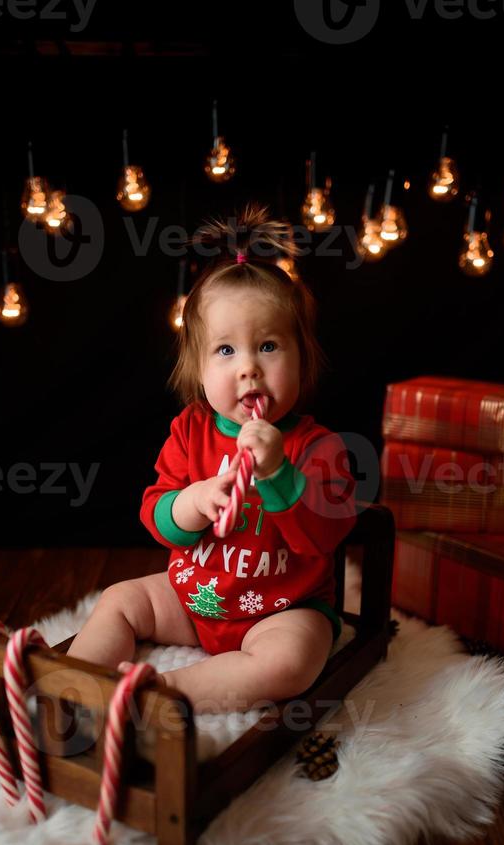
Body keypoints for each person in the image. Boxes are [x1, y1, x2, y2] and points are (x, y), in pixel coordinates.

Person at [68, 203, 357, 713]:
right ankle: (74, 690)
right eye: (225, 350)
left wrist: (276, 473)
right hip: (197, 597)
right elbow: (156, 516)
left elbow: (324, 537)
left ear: (301, 357)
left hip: (281, 607)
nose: (248, 367)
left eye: (268, 345)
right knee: (118, 601)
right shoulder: (189, 431)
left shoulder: (319, 446)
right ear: (197, 367)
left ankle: (160, 695)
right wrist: (192, 502)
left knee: (290, 664)